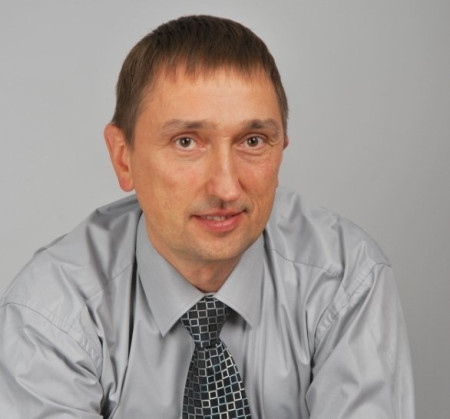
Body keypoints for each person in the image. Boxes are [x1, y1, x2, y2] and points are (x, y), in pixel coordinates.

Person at [0, 15, 414, 418]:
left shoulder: (344, 278)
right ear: (123, 157)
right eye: (186, 142)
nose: (226, 189)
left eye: (253, 141)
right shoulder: (51, 311)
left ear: (281, 148)